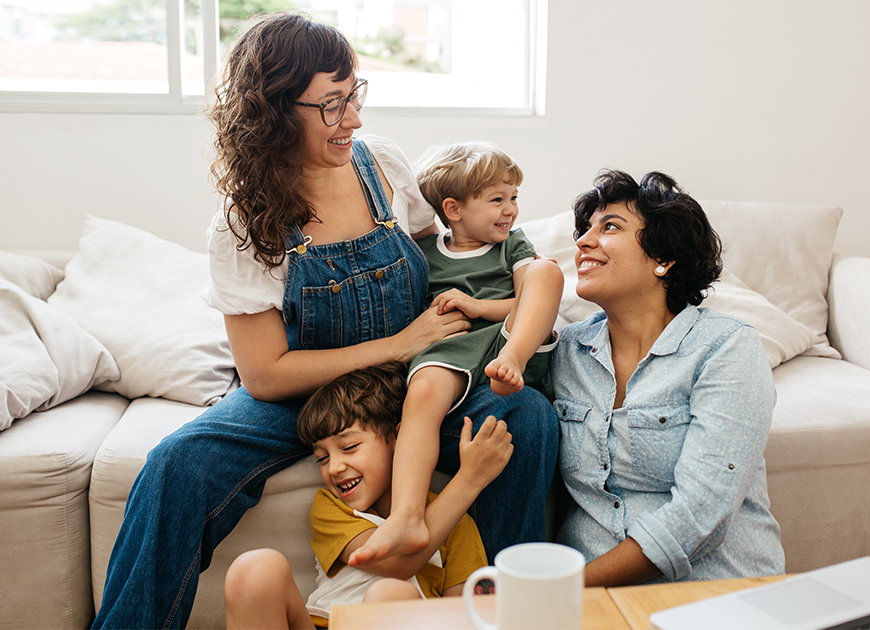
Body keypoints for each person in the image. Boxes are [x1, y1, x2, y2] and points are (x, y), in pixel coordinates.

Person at [91, 12, 558, 629]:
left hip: (420, 376)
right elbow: (264, 374)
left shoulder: (383, 167)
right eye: (332, 106)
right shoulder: (242, 227)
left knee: (527, 418)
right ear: (276, 111)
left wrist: (493, 312)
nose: (355, 121)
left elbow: (441, 263)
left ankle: (509, 616)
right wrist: (395, 343)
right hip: (308, 392)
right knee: (177, 465)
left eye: (354, 96)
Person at [547, 169, 785, 586]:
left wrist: (561, 589)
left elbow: (701, 513)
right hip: (595, 604)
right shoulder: (566, 351)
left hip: (716, 591)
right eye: (585, 229)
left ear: (663, 258)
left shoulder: (727, 347)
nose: (583, 241)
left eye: (610, 227)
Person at [350, 142, 563, 567]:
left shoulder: (512, 247)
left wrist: (481, 307)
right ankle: (408, 515)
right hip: (453, 346)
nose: (511, 210)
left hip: (506, 340)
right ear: (453, 209)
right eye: (497, 200)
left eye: (514, 198)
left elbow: (529, 298)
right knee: (424, 393)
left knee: (546, 269)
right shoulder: (425, 254)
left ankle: (515, 362)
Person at [223, 362, 510, 629]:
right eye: (321, 458)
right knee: (254, 570)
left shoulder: (455, 524)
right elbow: (395, 563)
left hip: (402, 618)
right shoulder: (332, 508)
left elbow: (460, 615)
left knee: (389, 595)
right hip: (325, 622)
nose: (334, 467)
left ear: (399, 438)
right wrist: (469, 480)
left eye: (348, 447)